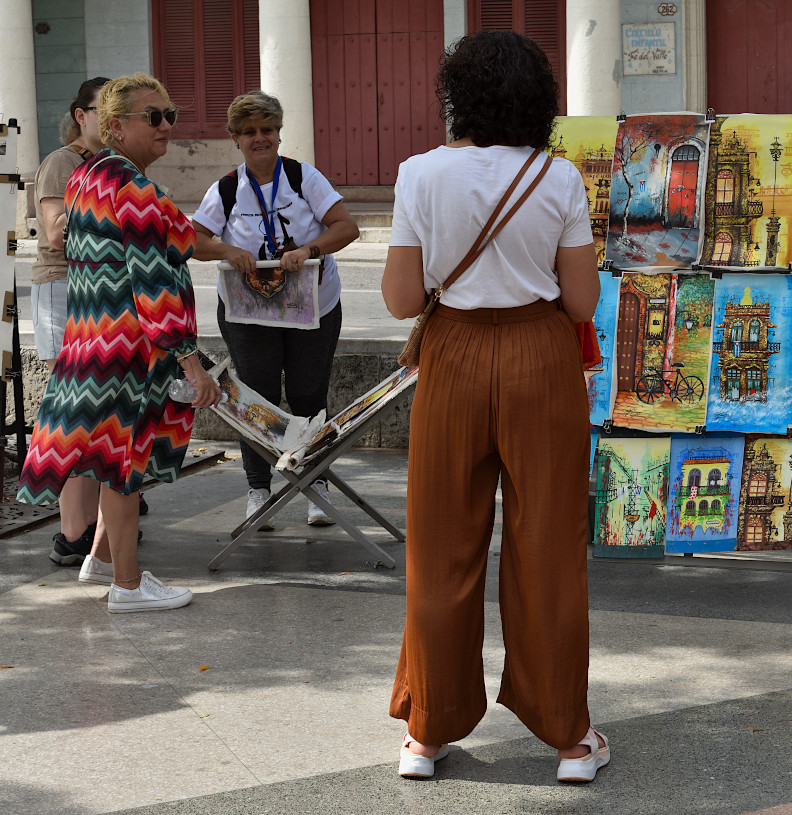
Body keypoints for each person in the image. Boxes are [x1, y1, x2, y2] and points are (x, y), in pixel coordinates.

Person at [381, 31, 607, 782]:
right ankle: (569, 739)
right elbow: (579, 300)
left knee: (440, 543)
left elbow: (402, 299)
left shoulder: (418, 174)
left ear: (459, 96)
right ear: (538, 103)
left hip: (451, 356)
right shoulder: (559, 178)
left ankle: (427, 730)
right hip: (541, 357)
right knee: (548, 545)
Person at [17, 73, 222, 613]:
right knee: (125, 468)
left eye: (169, 115)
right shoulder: (129, 185)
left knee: (108, 461)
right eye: (152, 116)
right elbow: (154, 279)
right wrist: (191, 362)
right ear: (114, 126)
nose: (166, 126)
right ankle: (128, 586)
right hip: (128, 350)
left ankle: (102, 560)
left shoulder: (89, 177)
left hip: (92, 344)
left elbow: (178, 234)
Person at [192, 91, 359, 529]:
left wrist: (310, 249)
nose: (259, 138)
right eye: (249, 132)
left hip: (313, 310)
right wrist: (228, 248)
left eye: (267, 130)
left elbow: (347, 226)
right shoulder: (226, 188)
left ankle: (314, 482)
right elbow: (193, 240)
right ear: (235, 138)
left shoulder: (304, 178)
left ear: (279, 134)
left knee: (308, 395)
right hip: (250, 316)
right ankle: (258, 489)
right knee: (257, 402)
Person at [31, 78, 107, 567]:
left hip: (96, 292)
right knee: (72, 412)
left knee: (95, 411)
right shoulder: (64, 161)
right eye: (106, 109)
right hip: (65, 288)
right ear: (81, 114)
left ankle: (96, 523)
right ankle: (71, 531)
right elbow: (57, 233)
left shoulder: (108, 164)